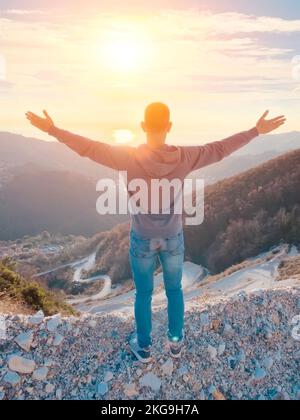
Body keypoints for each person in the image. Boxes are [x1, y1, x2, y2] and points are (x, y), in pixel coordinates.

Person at [26, 104, 286, 363]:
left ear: (142, 126)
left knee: (143, 293)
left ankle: (144, 347)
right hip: (173, 237)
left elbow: (89, 148)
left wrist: (52, 129)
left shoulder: (127, 157)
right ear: (169, 127)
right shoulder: (185, 156)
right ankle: (175, 343)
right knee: (174, 291)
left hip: (142, 238)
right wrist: (255, 131)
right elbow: (220, 149)